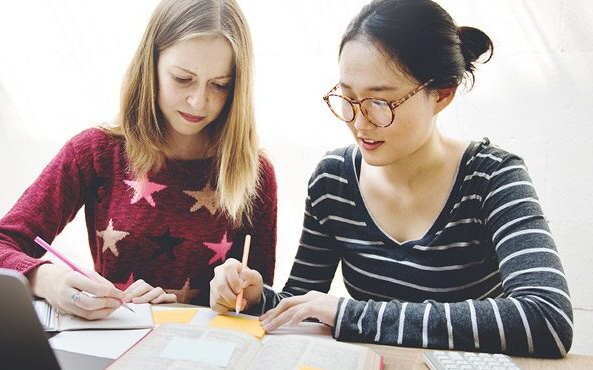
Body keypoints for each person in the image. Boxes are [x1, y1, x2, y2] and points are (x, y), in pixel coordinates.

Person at [210, 0, 572, 358]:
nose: (360, 122)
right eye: (348, 97)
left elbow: (547, 317)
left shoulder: (493, 178)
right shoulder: (333, 181)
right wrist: (256, 296)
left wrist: (352, 314)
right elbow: (302, 304)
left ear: (442, 94)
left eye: (381, 102)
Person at [0, 0, 277, 321]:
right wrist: (48, 279)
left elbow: (258, 302)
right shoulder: (95, 151)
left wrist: (242, 294)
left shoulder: (255, 173)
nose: (199, 100)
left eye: (220, 85)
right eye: (182, 78)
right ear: (151, 65)